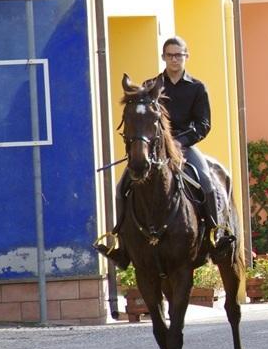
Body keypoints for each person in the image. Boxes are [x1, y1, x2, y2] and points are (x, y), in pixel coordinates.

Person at [97, 37, 231, 270]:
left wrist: (179, 142)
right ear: (163, 57)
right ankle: (120, 243)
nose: (174, 59)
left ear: (186, 56)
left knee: (207, 181)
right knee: (122, 185)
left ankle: (214, 235)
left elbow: (204, 124)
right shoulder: (151, 86)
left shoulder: (197, 88)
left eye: (179, 55)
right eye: (170, 55)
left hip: (185, 146)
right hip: (155, 149)